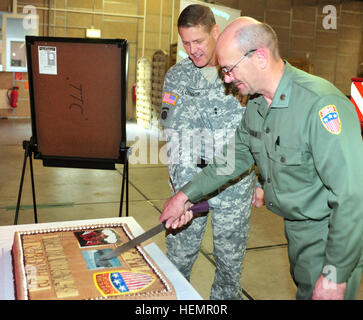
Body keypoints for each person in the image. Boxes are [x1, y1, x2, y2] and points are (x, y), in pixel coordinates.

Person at [160, 17, 363, 300]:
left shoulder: (320, 106)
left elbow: (353, 196)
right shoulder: (257, 104)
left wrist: (335, 273)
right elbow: (234, 156)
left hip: (331, 236)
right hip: (297, 231)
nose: (227, 78)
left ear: (260, 57)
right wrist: (184, 196)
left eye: (230, 69)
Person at [160, 5, 261, 300]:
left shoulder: (240, 76)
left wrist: (261, 181)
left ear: (215, 32)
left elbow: (257, 133)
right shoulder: (177, 77)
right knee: (175, 265)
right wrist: (182, 190)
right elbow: (174, 136)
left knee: (229, 271)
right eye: (186, 43)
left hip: (234, 189)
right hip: (189, 188)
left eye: (199, 41)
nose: (192, 50)